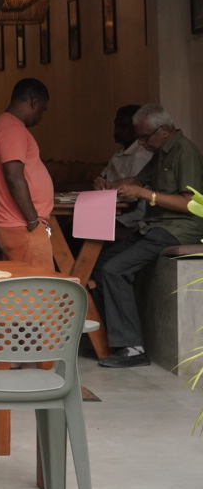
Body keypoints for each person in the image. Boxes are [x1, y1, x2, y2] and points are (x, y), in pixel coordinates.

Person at [94, 104, 203, 368]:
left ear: (164, 130)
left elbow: (191, 204)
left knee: (114, 269)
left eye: (145, 137)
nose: (141, 143)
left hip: (177, 229)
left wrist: (146, 196)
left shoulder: (184, 152)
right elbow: (139, 180)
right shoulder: (161, 151)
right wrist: (108, 184)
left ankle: (132, 348)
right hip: (153, 227)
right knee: (98, 266)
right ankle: (111, 341)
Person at [0, 78, 54, 269]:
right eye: (43, 109)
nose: (41, 115)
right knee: (39, 291)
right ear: (34, 102)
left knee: (22, 291)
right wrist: (33, 222)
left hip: (17, 224)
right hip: (22, 224)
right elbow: (14, 177)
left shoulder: (7, 125)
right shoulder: (12, 128)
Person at [94, 104, 153, 230]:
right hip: (111, 209)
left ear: (137, 129)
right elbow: (104, 179)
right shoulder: (120, 152)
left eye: (123, 127)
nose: (116, 131)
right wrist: (100, 182)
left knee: (81, 229)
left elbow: (134, 201)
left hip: (130, 217)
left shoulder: (141, 155)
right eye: (116, 125)